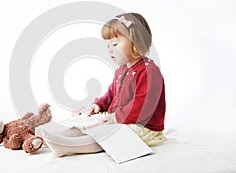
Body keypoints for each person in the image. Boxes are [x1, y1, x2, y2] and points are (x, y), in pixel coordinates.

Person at [37, 13, 166, 157]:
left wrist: (116, 117)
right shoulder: (122, 69)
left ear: (136, 42)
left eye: (115, 44)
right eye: (108, 45)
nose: (110, 49)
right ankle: (59, 136)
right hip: (118, 118)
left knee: (108, 135)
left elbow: (143, 105)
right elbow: (112, 92)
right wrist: (100, 105)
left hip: (143, 125)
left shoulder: (149, 71)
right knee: (90, 124)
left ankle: (66, 145)